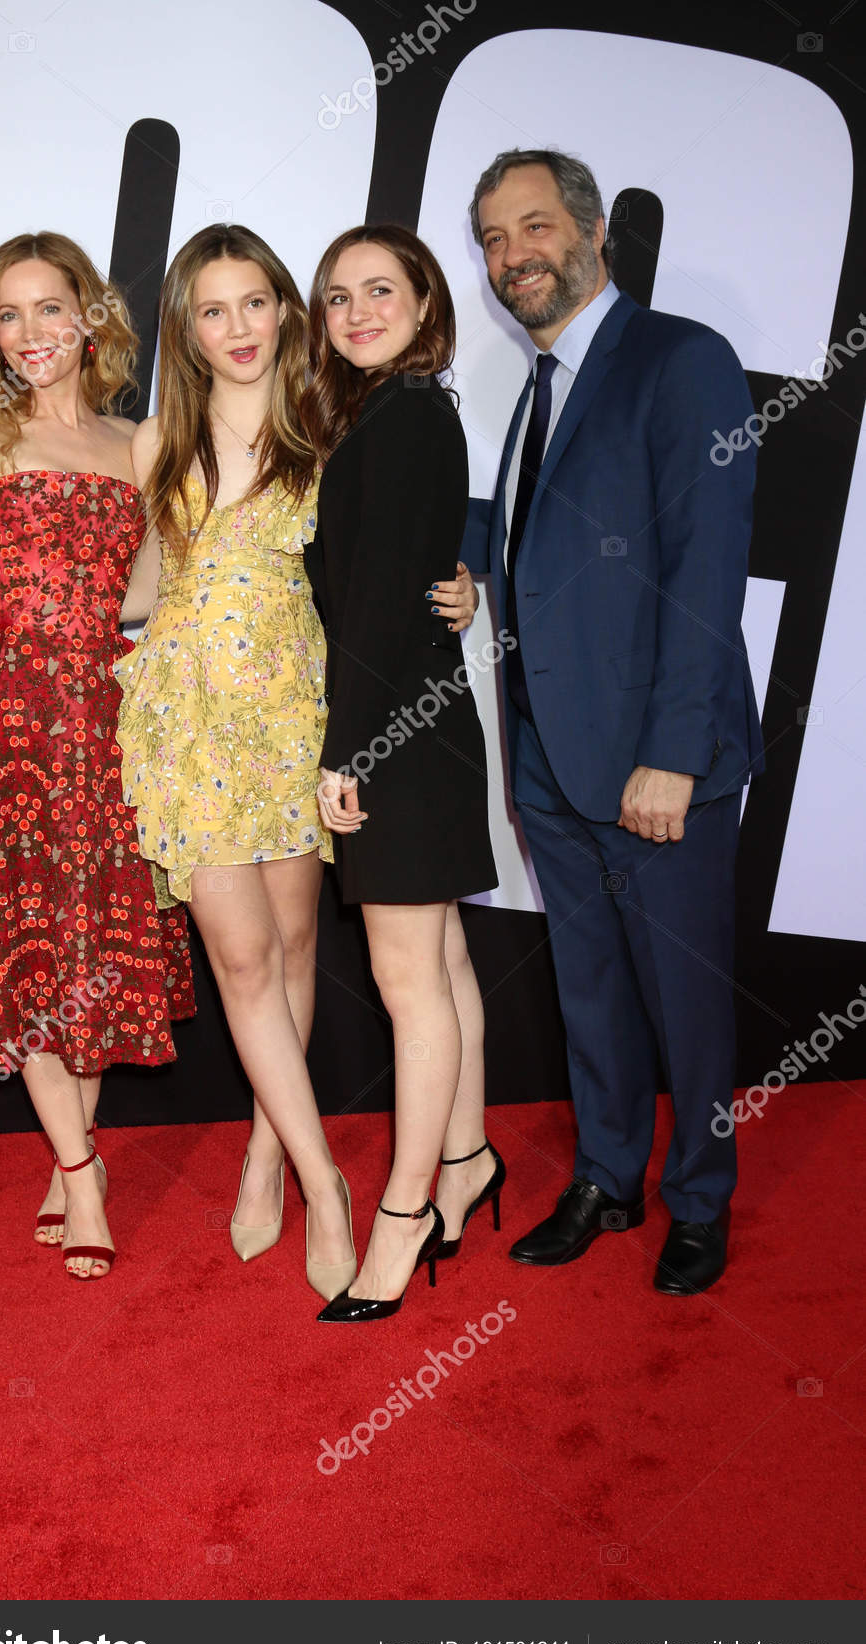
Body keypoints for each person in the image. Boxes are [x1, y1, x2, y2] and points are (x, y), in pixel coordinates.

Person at [114, 224, 480, 1303]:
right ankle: (324, 1179)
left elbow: (390, 552)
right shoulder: (156, 438)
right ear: (187, 326)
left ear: (286, 311)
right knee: (237, 960)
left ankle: (267, 1147)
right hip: (188, 718)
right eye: (211, 309)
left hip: (294, 712)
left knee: (291, 947)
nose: (236, 328)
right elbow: (138, 586)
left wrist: (464, 589)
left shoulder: (332, 419)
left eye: (255, 303)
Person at [470, 148, 763, 1294]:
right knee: (587, 983)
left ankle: (699, 1198)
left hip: (654, 765)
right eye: (493, 238)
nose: (512, 256)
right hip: (547, 753)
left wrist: (670, 754)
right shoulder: (536, 386)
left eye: (532, 226)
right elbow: (545, 549)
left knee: (682, 1001)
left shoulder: (678, 360)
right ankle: (606, 1175)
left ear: (590, 230)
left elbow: (706, 570)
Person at [0, 232, 194, 1281]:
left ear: (89, 318)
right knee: (23, 951)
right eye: (7, 316)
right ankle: (84, 1167)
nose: (29, 335)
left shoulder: (141, 443)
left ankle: (71, 1164)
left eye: (48, 310)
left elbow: (144, 594)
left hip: (100, 722)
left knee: (89, 949)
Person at [303, 225, 501, 1324]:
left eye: (381, 289)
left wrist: (349, 752)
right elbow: (400, 579)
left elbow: (377, 606)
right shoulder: (392, 414)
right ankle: (466, 1159)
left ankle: (405, 1212)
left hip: (395, 733)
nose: (357, 310)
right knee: (444, 959)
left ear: (427, 301)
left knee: (405, 981)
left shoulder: (409, 414)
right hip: (420, 718)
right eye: (337, 296)